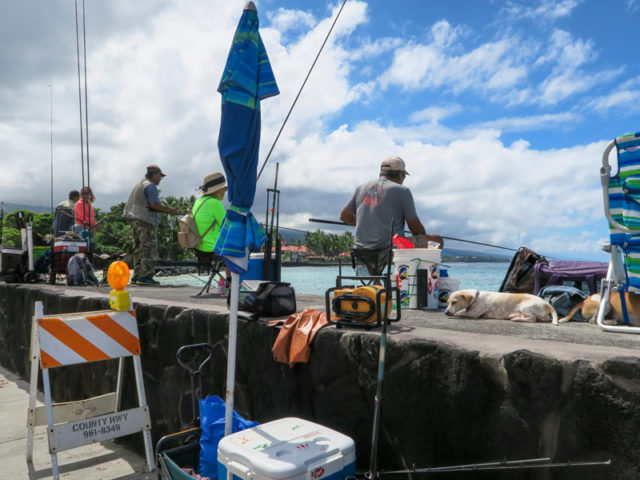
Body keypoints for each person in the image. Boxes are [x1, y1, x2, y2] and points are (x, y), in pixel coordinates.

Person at [340, 156, 444, 275]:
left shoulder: (361, 188)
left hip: (361, 250)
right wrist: (423, 236)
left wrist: (367, 222)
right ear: (400, 174)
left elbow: (344, 216)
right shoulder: (402, 191)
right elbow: (415, 229)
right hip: (388, 251)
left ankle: (377, 284)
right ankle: (420, 280)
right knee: (437, 240)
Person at [123, 164, 179, 285]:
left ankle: (137, 276)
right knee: (148, 247)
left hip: (134, 218)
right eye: (160, 176)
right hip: (145, 220)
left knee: (138, 247)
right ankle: (145, 276)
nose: (160, 179)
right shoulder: (150, 186)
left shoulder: (140, 184)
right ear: (155, 175)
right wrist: (169, 209)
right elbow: (154, 204)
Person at [192, 171, 230, 290]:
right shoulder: (214, 203)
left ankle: (227, 283)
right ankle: (231, 284)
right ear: (216, 189)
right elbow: (227, 226)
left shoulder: (199, 202)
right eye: (224, 188)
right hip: (212, 248)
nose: (225, 190)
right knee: (237, 249)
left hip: (199, 247)